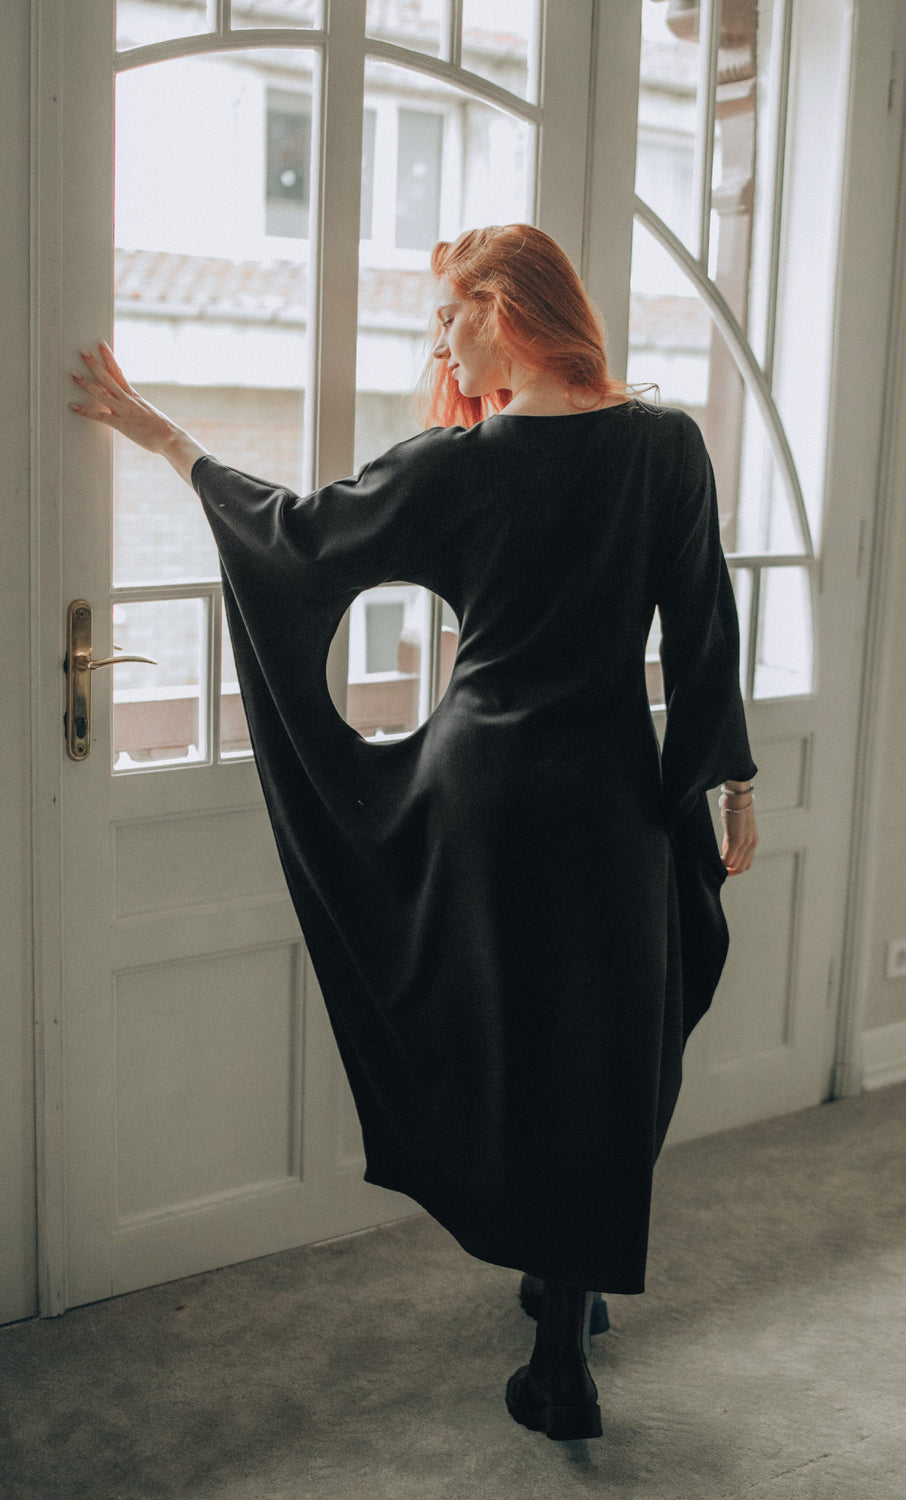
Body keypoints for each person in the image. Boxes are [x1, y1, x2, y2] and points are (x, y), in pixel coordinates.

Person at [70, 223, 758, 1443]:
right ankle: (562, 1327)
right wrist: (727, 782)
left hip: (486, 795)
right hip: (606, 798)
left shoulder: (461, 465)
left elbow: (293, 536)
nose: (438, 334)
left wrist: (161, 436)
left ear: (501, 306)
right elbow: (699, 626)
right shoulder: (664, 446)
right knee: (603, 1050)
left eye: (446, 309)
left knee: (509, 1043)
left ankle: (558, 1291)